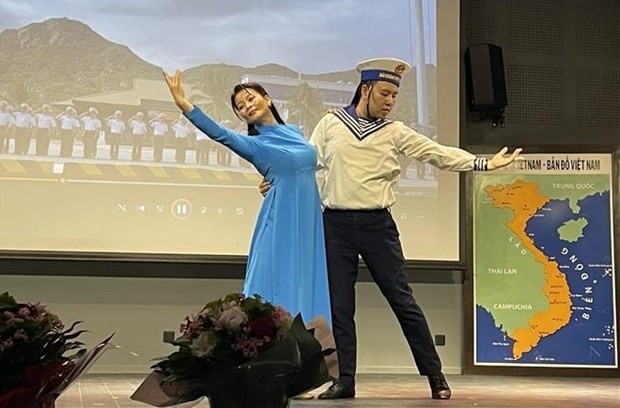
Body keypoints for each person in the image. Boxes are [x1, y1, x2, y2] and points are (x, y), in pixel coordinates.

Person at [260, 57, 522, 400]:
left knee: (402, 300)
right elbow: (306, 163)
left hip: (377, 225)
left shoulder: (394, 131)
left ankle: (436, 376)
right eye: (384, 93)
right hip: (335, 224)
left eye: (394, 96)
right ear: (364, 90)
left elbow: (436, 154)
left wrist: (483, 162)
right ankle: (346, 381)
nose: (389, 100)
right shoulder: (330, 124)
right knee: (340, 307)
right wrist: (276, 181)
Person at [162, 69, 331, 330]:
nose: (247, 107)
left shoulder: (296, 133)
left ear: (268, 99)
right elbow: (221, 134)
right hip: (280, 222)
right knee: (277, 284)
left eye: (251, 99)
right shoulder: (256, 145)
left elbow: (306, 166)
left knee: (306, 281)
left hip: (308, 222)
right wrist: (185, 104)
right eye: (240, 107)